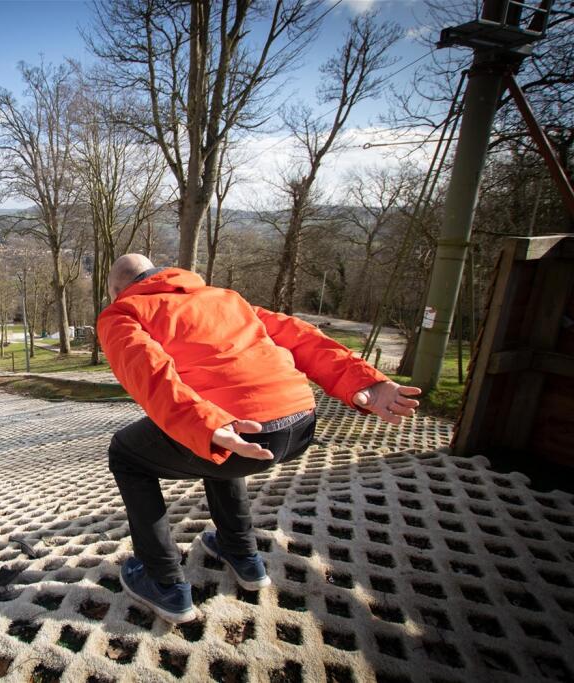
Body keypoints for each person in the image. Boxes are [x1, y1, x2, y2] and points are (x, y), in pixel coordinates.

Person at [98, 254, 421, 624]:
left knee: (127, 454)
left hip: (239, 433)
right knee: (222, 436)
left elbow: (149, 373)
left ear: (116, 291)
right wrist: (361, 379)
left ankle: (163, 581)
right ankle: (242, 555)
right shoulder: (224, 298)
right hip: (299, 424)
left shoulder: (122, 313)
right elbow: (298, 335)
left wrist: (204, 426)